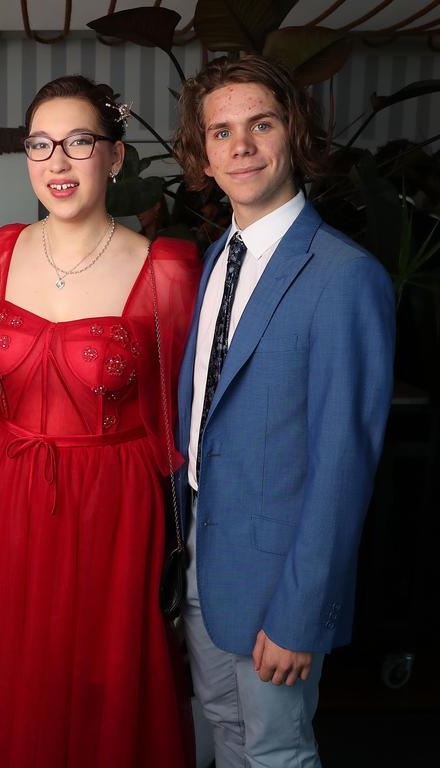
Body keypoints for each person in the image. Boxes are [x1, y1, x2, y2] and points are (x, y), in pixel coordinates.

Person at [0, 75, 199, 767]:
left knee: (105, 674)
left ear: (115, 156)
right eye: (40, 144)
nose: (57, 162)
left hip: (111, 502)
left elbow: (180, 420)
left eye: (78, 142)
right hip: (7, 487)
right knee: (14, 670)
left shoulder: (167, 268)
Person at [172, 55, 395, 768]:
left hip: (279, 578)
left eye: (259, 124)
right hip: (204, 559)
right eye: (221, 131)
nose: (240, 146)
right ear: (203, 153)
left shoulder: (344, 276)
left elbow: (344, 463)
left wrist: (304, 612)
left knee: (276, 750)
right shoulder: (215, 259)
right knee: (223, 732)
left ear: (292, 134)